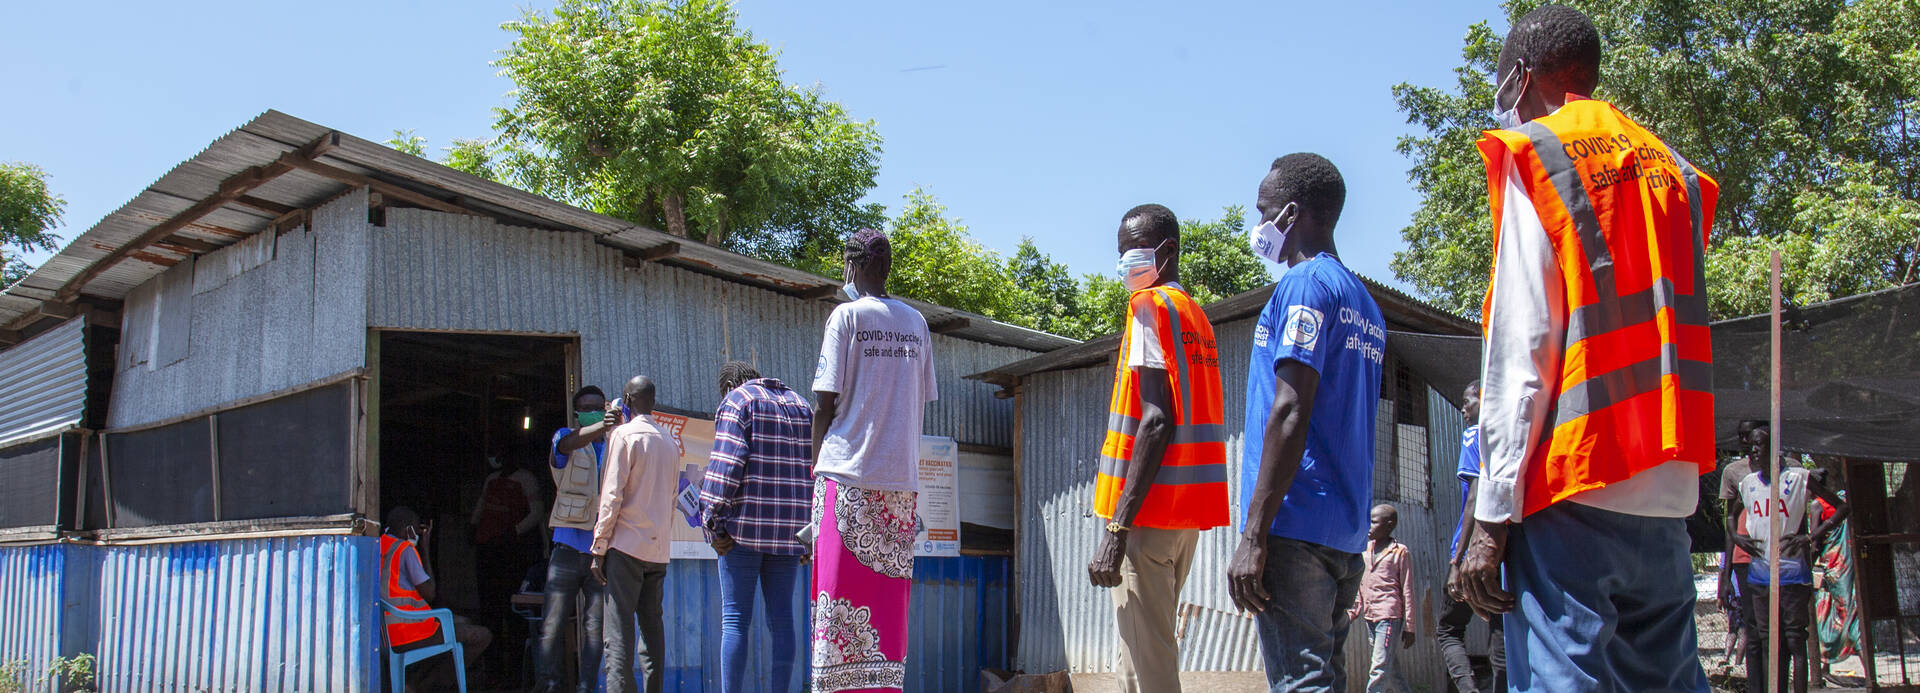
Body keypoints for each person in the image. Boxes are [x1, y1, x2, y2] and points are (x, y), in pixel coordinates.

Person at [1454, 6, 1721, 692]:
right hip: (1666, 483)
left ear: (1518, 76)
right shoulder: (1672, 170)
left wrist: (1492, 511)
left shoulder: (1541, 155)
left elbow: (1524, 347)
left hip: (1576, 477)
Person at [1227, 152, 1386, 692]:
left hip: (1294, 527)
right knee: (1327, 682)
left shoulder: (1304, 286)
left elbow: (1290, 409)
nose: (1258, 225)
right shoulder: (1364, 303)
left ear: (1291, 213)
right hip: (1343, 530)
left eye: (1263, 210)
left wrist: (1254, 534)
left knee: (1302, 686)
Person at [1085, 204, 1230, 693]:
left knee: (1151, 666)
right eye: (1121, 252)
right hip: (1184, 516)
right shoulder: (1197, 319)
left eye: (1133, 251)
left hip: (1147, 517)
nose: (1125, 261)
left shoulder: (1150, 307)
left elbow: (1156, 419)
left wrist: (1117, 527)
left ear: (1166, 251)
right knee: (1139, 651)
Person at [809, 228, 938, 693]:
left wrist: (814, 469)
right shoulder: (917, 323)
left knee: (835, 604)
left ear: (853, 265)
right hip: (899, 488)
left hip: (844, 477)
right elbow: (920, 399)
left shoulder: (845, 317)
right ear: (886, 266)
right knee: (886, 610)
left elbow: (824, 403)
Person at [698, 361, 815, 693]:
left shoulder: (738, 401)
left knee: (735, 621)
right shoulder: (801, 405)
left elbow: (725, 469)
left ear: (731, 385)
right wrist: (808, 538)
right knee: (782, 621)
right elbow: (815, 469)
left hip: (742, 534)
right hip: (790, 535)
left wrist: (714, 525)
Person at [1734, 422, 1850, 693]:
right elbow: (1731, 514)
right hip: (1760, 575)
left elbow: (1841, 508)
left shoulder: (1797, 478)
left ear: (1773, 449)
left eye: (1759, 445)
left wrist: (1811, 537)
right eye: (1750, 445)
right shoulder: (1747, 484)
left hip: (1792, 574)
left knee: (1795, 640)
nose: (1753, 450)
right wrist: (1737, 537)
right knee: (1768, 641)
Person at [590, 376, 679, 693]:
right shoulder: (669, 442)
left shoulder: (624, 436)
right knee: (652, 630)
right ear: (652, 403)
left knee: (618, 631)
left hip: (625, 548)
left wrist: (599, 546)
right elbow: (671, 500)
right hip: (657, 553)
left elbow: (611, 495)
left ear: (626, 400)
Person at [535, 386, 622, 693]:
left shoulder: (617, 444)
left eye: (598, 406)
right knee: (552, 625)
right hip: (568, 550)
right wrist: (604, 424)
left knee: (595, 629)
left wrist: (614, 428)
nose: (592, 410)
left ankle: (586, 687)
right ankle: (550, 686)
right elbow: (569, 443)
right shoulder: (566, 438)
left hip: (602, 553)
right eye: (586, 408)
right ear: (577, 414)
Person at [381, 506, 492, 692]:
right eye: (417, 529)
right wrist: (425, 549)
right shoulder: (405, 550)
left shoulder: (378, 544)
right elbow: (430, 592)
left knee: (462, 622)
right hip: (407, 633)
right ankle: (424, 686)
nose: (417, 533)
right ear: (408, 529)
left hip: (386, 632)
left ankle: (412, 681)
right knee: (482, 635)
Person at [1439, 381, 1504, 693]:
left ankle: (1469, 690)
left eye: (1468, 402)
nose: (1464, 410)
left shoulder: (1474, 434)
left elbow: (1474, 497)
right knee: (1500, 625)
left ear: (1485, 400)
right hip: (1506, 550)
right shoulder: (1510, 432)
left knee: (1448, 629)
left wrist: (1457, 558)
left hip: (1473, 550)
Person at [469, 446, 544, 683]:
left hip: (512, 555)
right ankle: (493, 672)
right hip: (488, 553)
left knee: (513, 616)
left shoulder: (525, 479)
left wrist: (513, 533)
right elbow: (481, 509)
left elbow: (537, 512)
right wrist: (472, 526)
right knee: (489, 611)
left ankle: (514, 673)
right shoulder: (491, 480)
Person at [1350, 504, 1417, 693]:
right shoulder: (1364, 550)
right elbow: (1361, 586)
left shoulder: (1400, 552)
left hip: (1388, 617)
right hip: (1370, 617)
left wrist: (1410, 626)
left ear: (1388, 526)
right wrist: (1352, 613)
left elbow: (1407, 590)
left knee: (1378, 667)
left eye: (1373, 522)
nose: (1368, 526)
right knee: (1391, 669)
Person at [1718, 422, 1762, 675]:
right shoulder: (1734, 471)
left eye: (1751, 435)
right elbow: (1730, 523)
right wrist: (1726, 574)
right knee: (1752, 625)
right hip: (1745, 558)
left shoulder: (1790, 468)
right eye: (1742, 436)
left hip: (1780, 557)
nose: (1746, 441)